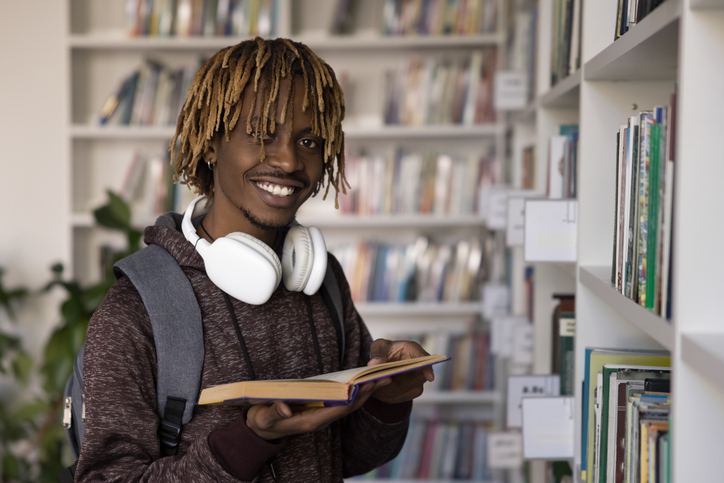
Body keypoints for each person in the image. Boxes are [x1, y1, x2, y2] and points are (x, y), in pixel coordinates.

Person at [75, 37, 434, 482]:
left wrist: (388, 397)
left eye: (308, 140)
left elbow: (347, 456)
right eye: (262, 134)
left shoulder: (321, 281)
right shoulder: (138, 309)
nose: (287, 160)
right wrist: (249, 440)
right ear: (210, 144)